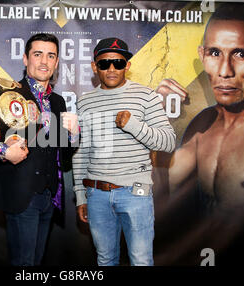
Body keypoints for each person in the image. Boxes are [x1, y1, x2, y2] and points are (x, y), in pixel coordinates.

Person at [155, 3, 244, 264]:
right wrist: (154, 125)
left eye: (240, 54)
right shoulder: (203, 125)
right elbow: (160, 202)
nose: (224, 71)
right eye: (215, 53)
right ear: (202, 55)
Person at [0, 33, 79, 266]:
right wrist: (2, 151)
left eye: (50, 56)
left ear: (56, 62)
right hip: (20, 193)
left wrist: (73, 135)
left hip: (49, 196)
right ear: (25, 59)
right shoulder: (8, 93)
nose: (44, 61)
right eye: (38, 54)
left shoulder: (57, 102)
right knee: (24, 263)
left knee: (35, 261)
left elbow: (62, 155)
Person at [72, 37, 176, 266]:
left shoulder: (146, 96)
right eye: (104, 63)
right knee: (105, 259)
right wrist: (80, 194)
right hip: (96, 194)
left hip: (135, 193)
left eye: (118, 63)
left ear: (127, 65)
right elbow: (81, 152)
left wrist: (133, 125)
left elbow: (169, 142)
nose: (111, 69)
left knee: (140, 260)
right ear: (94, 66)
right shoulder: (85, 102)